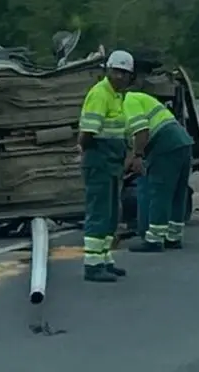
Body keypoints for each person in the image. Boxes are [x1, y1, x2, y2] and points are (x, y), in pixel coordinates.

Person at [77, 50, 132, 283]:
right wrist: (86, 152)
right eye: (116, 71)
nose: (120, 76)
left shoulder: (117, 96)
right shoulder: (100, 94)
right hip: (99, 160)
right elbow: (88, 132)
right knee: (99, 212)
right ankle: (92, 264)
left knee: (110, 214)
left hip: (111, 162)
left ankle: (104, 258)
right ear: (107, 70)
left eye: (124, 73)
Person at [123, 90, 195, 252]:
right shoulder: (139, 98)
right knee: (178, 192)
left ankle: (154, 239)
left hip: (165, 143)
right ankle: (173, 237)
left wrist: (137, 156)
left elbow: (142, 131)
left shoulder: (127, 102)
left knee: (159, 191)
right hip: (182, 141)